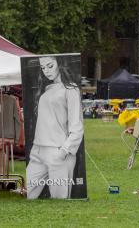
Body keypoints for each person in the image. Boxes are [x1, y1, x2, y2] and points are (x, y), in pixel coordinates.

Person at [26, 56, 84, 199]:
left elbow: (77, 126)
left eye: (50, 66)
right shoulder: (46, 88)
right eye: (43, 67)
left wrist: (64, 151)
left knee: (60, 200)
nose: (46, 70)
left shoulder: (70, 89)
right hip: (38, 150)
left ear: (60, 63)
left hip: (58, 151)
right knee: (28, 192)